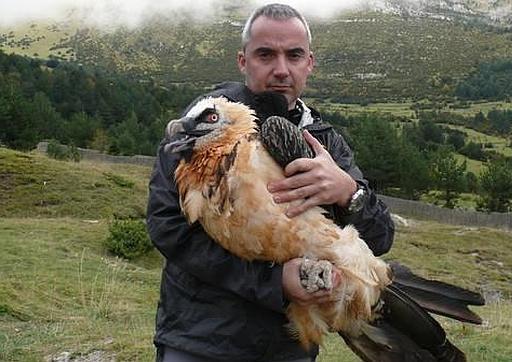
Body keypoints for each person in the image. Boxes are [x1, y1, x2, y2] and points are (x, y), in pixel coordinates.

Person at [146, 3, 395, 361]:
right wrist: (273, 282)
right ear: (243, 61)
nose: (281, 69)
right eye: (265, 54)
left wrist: (348, 193)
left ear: (309, 63)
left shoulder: (323, 140)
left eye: (294, 55)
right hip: (203, 339)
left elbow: (380, 237)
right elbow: (166, 226)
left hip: (289, 344)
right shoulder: (204, 128)